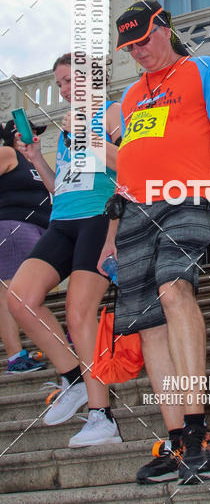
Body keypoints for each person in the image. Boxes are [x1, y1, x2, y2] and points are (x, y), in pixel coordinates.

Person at [97, 0, 210, 485]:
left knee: (174, 290)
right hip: (135, 211)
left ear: (165, 28)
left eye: (144, 40)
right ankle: (178, 440)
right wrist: (109, 238)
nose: (138, 52)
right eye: (130, 47)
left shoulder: (201, 68)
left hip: (187, 197)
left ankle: (199, 431)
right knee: (149, 327)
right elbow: (128, 168)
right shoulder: (128, 99)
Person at [9, 54, 123, 445]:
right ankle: (74, 378)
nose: (62, 90)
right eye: (59, 84)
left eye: (68, 81)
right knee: (20, 299)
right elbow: (60, 189)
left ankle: (101, 416)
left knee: (79, 313)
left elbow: (129, 168)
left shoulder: (114, 112)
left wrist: (113, 236)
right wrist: (37, 159)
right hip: (62, 221)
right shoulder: (64, 130)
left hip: (98, 219)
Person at [0, 120, 50, 373]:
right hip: (12, 227)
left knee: (29, 292)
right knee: (11, 291)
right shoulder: (8, 153)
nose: (36, 137)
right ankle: (15, 357)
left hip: (40, 228)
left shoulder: (34, 161)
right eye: (32, 132)